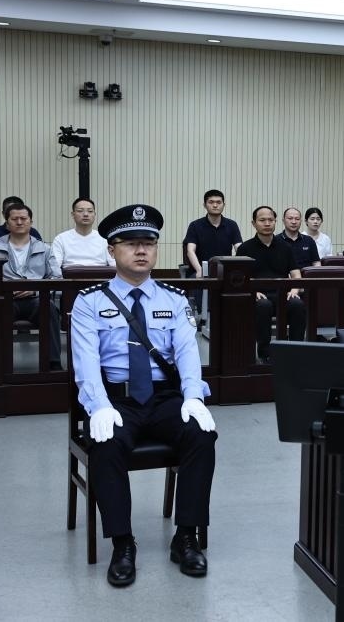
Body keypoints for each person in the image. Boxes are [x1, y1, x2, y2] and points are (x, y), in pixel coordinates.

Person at [70, 204, 217, 588]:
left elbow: (188, 353)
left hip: (164, 398)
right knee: (106, 445)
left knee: (201, 436)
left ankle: (186, 536)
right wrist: (99, 407)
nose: (141, 250)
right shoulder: (89, 301)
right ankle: (122, 544)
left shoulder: (174, 298)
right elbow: (86, 364)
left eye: (148, 243)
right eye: (130, 243)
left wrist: (193, 397)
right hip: (116, 400)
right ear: (111, 250)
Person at [0, 203, 63, 370]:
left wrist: (35, 290)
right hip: (7, 300)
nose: (19, 222)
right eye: (14, 219)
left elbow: (56, 278)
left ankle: (53, 364)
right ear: (7, 223)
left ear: (30, 222)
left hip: (36, 299)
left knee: (49, 309)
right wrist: (7, 290)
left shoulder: (44, 249)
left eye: (23, 218)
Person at [236, 206, 305, 364]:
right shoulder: (245, 248)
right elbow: (240, 278)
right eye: (262, 220)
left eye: (270, 220)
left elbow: (296, 275)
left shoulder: (285, 247)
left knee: (297, 304)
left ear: (275, 222)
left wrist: (294, 290)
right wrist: (252, 292)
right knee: (263, 306)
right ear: (253, 223)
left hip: (282, 294)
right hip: (257, 296)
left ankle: (297, 350)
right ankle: (265, 353)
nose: (267, 223)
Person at [183, 189, 243, 277]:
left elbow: (239, 248)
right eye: (211, 202)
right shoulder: (195, 225)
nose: (215, 205)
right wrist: (199, 270)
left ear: (224, 205)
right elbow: (190, 250)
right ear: (204, 205)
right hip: (199, 270)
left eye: (218, 202)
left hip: (225, 271)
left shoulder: (232, 225)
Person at [51, 197, 115, 267]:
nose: (85, 214)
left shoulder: (104, 239)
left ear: (94, 214)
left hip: (101, 273)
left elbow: (114, 264)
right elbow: (54, 267)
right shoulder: (61, 239)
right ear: (73, 214)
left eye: (90, 211)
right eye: (80, 211)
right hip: (71, 273)